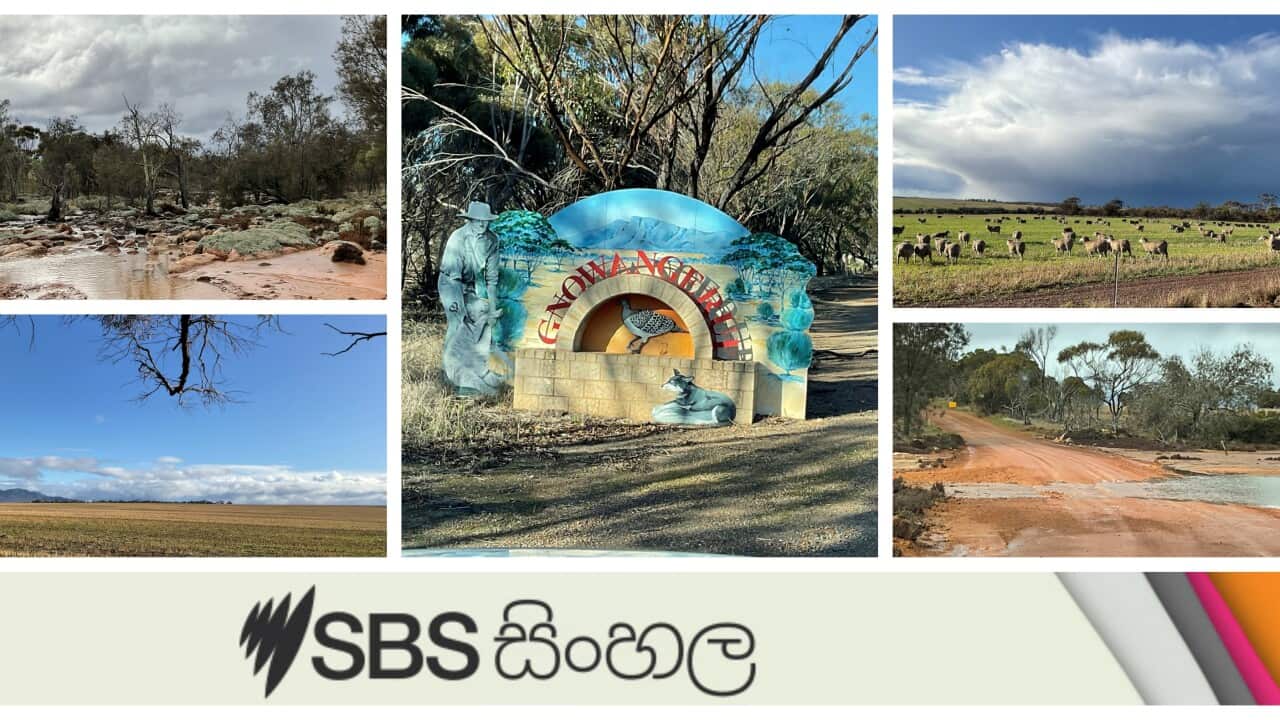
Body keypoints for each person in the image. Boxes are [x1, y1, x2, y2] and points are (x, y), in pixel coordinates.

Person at [438, 201, 504, 395]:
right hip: (450, 282)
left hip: (469, 284)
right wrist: (461, 309)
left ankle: (480, 369)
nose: (482, 225)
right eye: (478, 221)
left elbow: (491, 279)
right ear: (471, 220)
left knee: (484, 315)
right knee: (459, 322)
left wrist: (492, 309)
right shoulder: (457, 238)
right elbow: (454, 276)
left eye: (486, 221)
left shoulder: (492, 240)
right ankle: (452, 374)